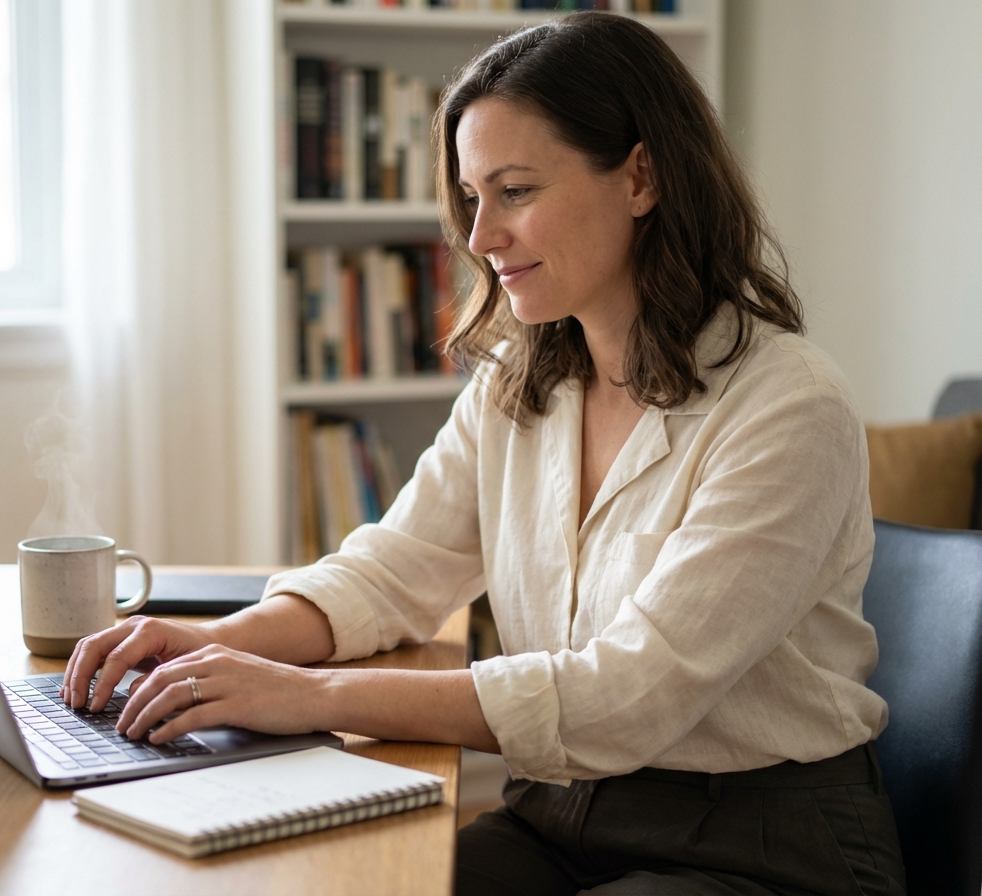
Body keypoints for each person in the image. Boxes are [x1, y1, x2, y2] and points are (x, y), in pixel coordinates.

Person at [61, 12, 905, 895]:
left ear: (642, 177)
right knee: (347, 883)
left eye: (516, 192)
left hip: (764, 846)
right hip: (563, 817)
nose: (479, 237)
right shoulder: (521, 381)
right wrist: (214, 653)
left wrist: (306, 695)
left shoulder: (787, 405)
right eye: (472, 197)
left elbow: (626, 696)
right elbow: (395, 571)